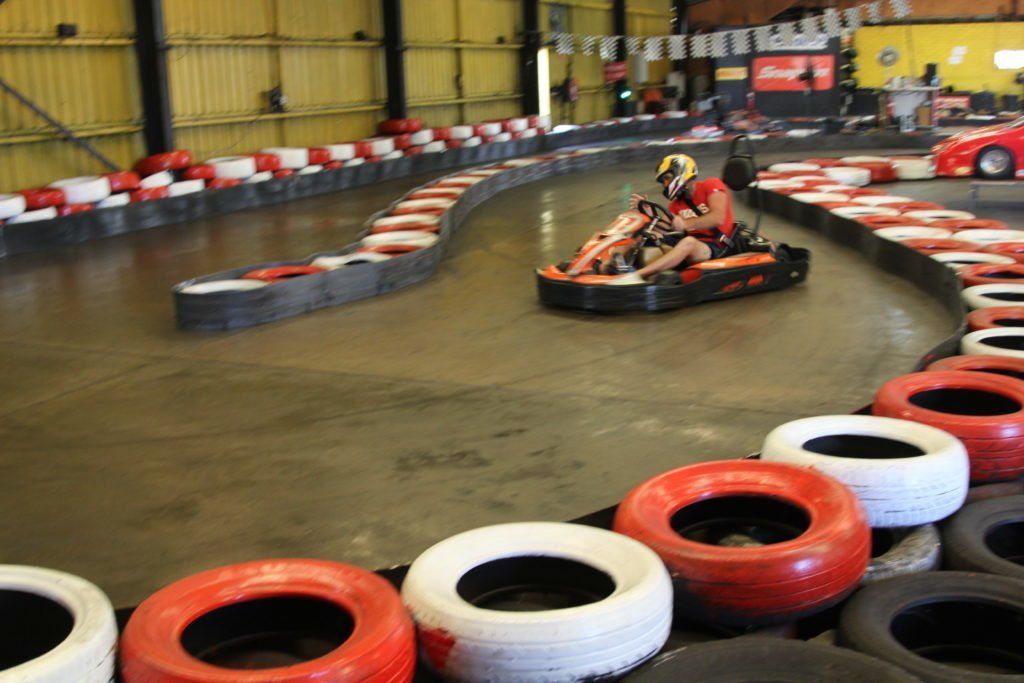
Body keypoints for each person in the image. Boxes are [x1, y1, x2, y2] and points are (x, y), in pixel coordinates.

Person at [623, 154, 736, 280]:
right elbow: (664, 229)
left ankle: (637, 276)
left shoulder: (711, 185)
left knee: (688, 242)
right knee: (642, 232)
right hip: (688, 242)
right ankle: (611, 266)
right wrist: (648, 213)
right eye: (663, 181)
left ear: (682, 171)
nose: (665, 184)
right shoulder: (676, 204)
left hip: (716, 245)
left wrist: (685, 224)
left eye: (667, 178)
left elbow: (718, 217)